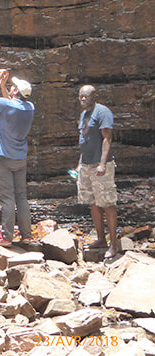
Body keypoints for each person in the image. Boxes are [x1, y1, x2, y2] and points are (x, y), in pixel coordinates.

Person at [0, 69, 35, 247]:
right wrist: (4, 86)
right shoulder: (29, 107)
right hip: (20, 160)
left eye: (12, 87)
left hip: (4, 160)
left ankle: (6, 238)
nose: (11, 87)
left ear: (16, 91)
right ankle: (26, 236)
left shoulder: (8, 105)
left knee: (8, 199)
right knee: (21, 197)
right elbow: (10, 105)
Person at [76, 85, 119, 258]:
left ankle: (114, 245)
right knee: (93, 203)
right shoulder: (84, 114)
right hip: (86, 165)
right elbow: (84, 139)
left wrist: (102, 164)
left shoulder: (103, 112)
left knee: (108, 204)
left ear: (94, 96)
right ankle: (101, 239)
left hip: (101, 165)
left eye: (86, 96)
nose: (83, 99)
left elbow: (107, 138)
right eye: (80, 96)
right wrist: (79, 163)